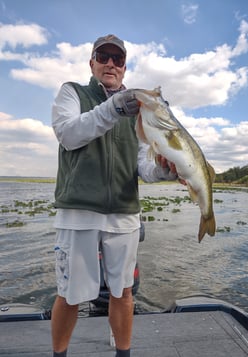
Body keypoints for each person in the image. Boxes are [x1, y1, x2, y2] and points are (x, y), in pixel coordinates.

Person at [51, 34, 177, 357]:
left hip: (124, 214)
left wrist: (163, 170)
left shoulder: (136, 111)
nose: (110, 63)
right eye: (103, 56)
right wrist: (114, 108)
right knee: (69, 295)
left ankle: (124, 355)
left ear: (124, 67)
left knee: (123, 293)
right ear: (91, 62)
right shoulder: (73, 93)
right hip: (78, 212)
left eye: (117, 59)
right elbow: (68, 133)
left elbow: (141, 165)